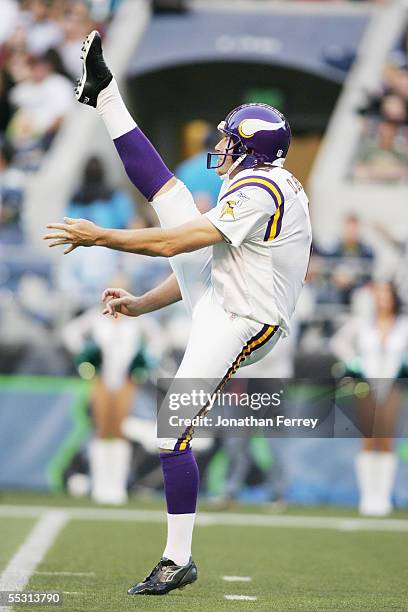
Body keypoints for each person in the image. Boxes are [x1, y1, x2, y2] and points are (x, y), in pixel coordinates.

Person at [44, 31, 312, 596]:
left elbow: (172, 246)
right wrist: (141, 304)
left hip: (247, 321)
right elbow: (195, 259)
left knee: (172, 432)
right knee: (172, 201)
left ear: (251, 148)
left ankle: (178, 559)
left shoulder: (263, 191)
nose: (221, 146)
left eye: (228, 140)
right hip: (224, 299)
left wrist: (101, 237)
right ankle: (106, 94)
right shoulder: (259, 182)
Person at [331, 281, 408, 516]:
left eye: (386, 294)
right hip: (366, 383)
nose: (382, 299)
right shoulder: (363, 323)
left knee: (386, 438)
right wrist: (354, 362)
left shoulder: (403, 325)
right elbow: (337, 343)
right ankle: (368, 497)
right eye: (378, 295)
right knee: (367, 437)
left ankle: (383, 497)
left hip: (393, 384)